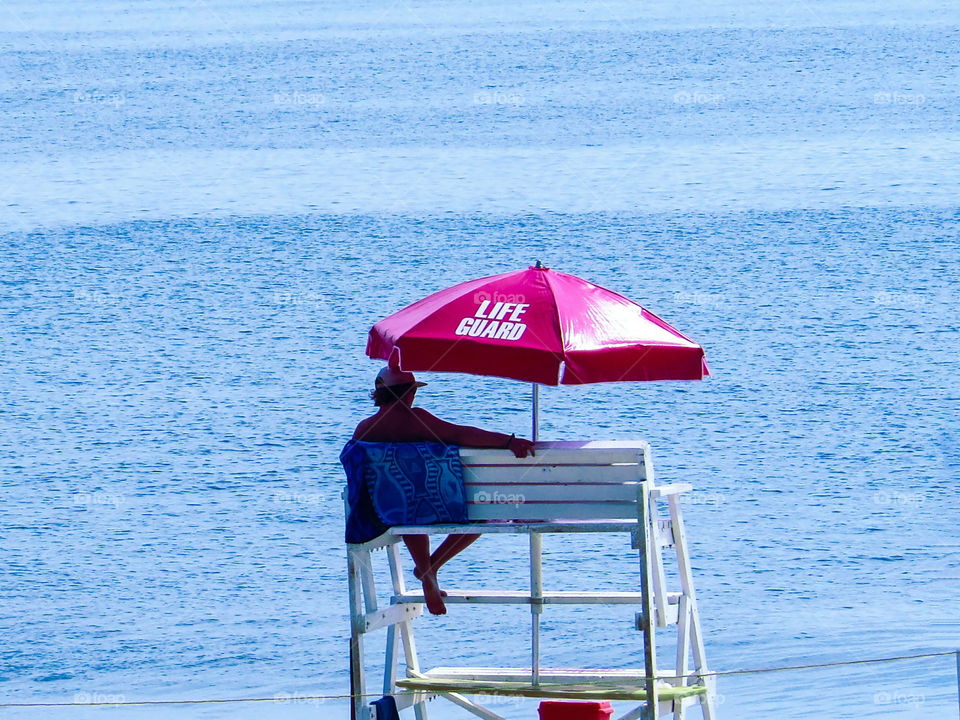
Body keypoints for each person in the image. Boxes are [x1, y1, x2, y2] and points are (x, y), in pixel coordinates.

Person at [352, 366, 535, 615]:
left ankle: (427, 570)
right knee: (483, 515)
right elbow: (461, 434)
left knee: (406, 505)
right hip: (434, 507)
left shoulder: (364, 430)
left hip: (383, 513)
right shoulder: (416, 419)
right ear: (407, 394)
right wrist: (508, 441)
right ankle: (430, 568)